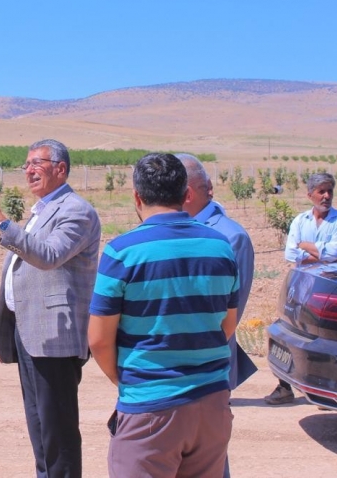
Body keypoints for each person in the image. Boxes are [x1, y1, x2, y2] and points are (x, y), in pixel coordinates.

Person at [89, 153, 239, 478]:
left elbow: (99, 340)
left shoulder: (122, 252)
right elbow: (228, 323)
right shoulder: (221, 247)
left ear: (137, 197)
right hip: (212, 401)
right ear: (186, 194)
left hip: (151, 407)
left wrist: (126, 380)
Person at [0, 139, 100, 478]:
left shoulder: (75, 211)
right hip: (30, 333)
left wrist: (3, 224)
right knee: (40, 430)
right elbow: (19, 273)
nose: (28, 170)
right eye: (25, 165)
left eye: (36, 163)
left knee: (58, 434)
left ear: (61, 169)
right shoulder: (41, 211)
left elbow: (47, 256)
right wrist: (5, 330)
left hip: (55, 336)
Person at [176, 153, 257, 390]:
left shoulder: (231, 237)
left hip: (210, 365)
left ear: (187, 193)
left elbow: (230, 313)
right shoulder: (171, 231)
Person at [265, 171, 337, 405]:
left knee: (318, 337)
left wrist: (308, 248)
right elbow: (291, 253)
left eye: (330, 191)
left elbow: (335, 252)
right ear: (310, 195)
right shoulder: (300, 220)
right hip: (299, 286)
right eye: (321, 191)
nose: (326, 196)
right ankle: (284, 386)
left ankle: (320, 385)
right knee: (290, 332)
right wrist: (320, 252)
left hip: (324, 289)